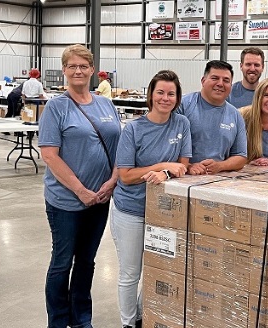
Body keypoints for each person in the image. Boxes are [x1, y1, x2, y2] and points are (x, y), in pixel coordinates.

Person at [38, 44, 122, 328]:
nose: (78, 71)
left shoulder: (105, 103)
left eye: (83, 66)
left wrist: (112, 181)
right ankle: (59, 322)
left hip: (100, 199)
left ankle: (81, 319)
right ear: (64, 70)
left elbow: (119, 147)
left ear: (92, 70)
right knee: (63, 263)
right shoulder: (56, 107)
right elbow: (49, 154)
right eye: (72, 66)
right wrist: (80, 191)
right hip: (66, 201)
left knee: (87, 262)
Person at [111, 70, 191, 328]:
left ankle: (143, 317)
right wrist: (161, 164)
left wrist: (166, 171)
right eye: (160, 92)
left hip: (163, 212)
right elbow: (125, 176)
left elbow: (183, 165)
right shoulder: (133, 129)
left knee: (157, 268)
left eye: (171, 93)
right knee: (131, 272)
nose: (165, 98)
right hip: (131, 210)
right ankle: (127, 322)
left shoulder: (182, 124)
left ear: (177, 98)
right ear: (151, 95)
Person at [177, 60, 247, 175]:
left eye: (226, 80)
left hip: (216, 181)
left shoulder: (235, 115)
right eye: (214, 78)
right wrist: (188, 166)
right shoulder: (183, 106)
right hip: (181, 177)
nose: (220, 84)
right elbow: (167, 146)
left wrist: (220, 166)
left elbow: (241, 156)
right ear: (203, 81)